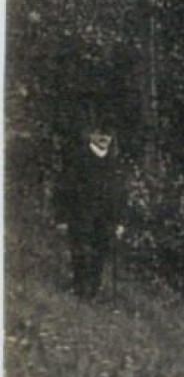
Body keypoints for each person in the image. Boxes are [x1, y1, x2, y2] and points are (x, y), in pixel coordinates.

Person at [56, 119, 123, 298]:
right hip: (80, 214)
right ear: (91, 135)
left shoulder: (114, 162)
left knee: (99, 252)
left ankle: (93, 291)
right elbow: (65, 188)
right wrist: (62, 217)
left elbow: (119, 194)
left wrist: (120, 221)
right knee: (80, 251)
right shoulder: (78, 158)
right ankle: (79, 290)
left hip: (105, 217)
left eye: (108, 134)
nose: (104, 138)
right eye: (100, 133)